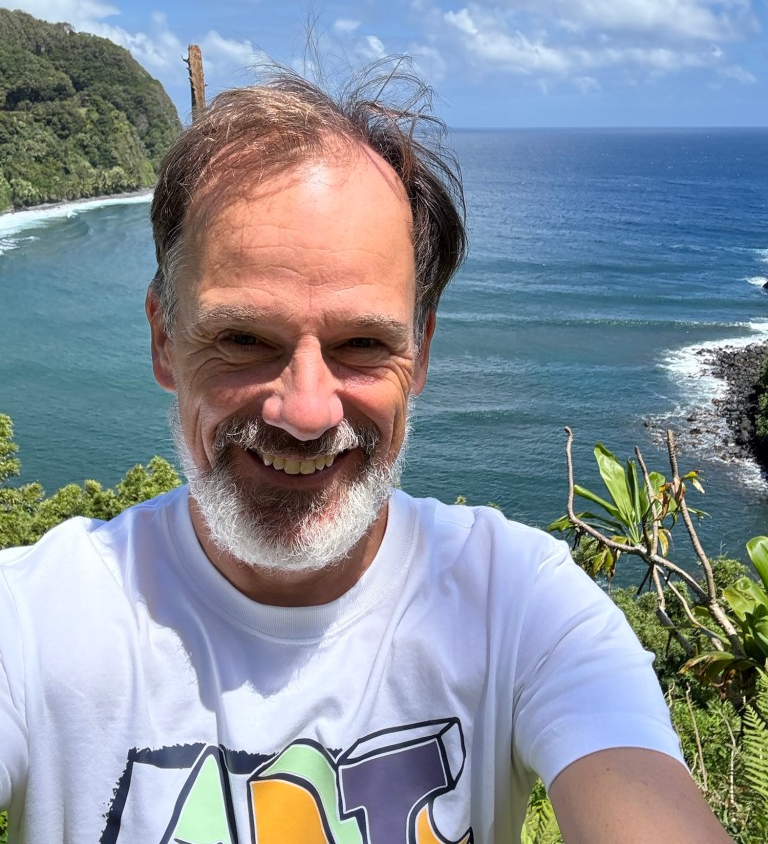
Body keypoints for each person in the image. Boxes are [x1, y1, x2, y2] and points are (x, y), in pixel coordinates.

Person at [0, 63, 731, 843]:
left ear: (421, 353)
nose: (306, 413)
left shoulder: (520, 606)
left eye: (362, 344)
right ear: (163, 341)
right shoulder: (38, 619)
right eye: (242, 338)